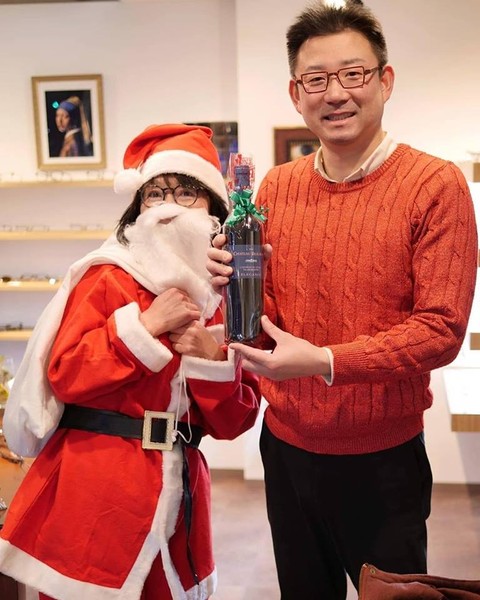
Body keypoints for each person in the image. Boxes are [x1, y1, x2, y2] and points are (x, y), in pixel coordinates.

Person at [207, 2, 478, 599]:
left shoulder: (435, 185)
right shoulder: (276, 186)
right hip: (285, 447)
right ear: (295, 93)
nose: (336, 93)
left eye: (353, 74)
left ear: (385, 80)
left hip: (384, 459)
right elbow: (263, 319)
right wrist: (229, 286)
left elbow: (441, 330)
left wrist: (325, 361)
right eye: (316, 79)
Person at [0, 123, 261, 600]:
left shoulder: (229, 297)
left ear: (214, 208)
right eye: (154, 194)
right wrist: (143, 328)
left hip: (180, 497)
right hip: (94, 489)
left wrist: (211, 359)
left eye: (186, 192)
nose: (167, 207)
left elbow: (235, 422)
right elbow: (65, 374)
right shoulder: (106, 277)